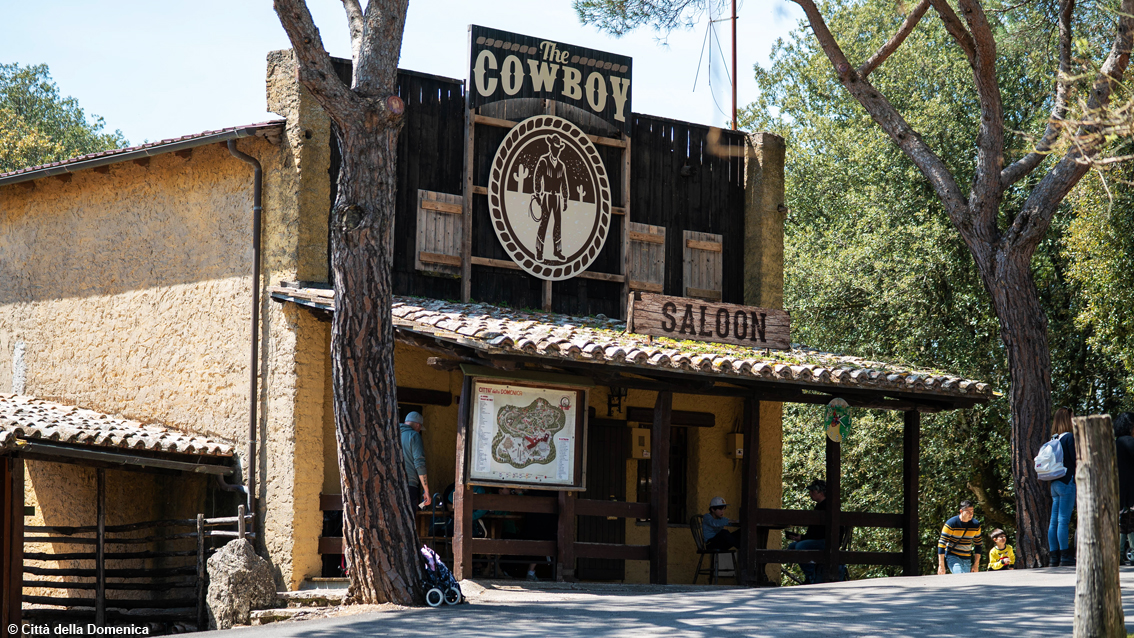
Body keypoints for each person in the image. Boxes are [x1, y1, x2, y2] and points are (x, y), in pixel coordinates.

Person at [785, 480, 832, 583]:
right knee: (792, 547)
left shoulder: (828, 506)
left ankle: (812, 577)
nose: (810, 493)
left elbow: (821, 533)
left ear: (821, 492)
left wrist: (803, 538)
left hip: (826, 541)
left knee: (800, 546)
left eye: (813, 491)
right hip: (818, 539)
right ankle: (809, 575)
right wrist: (802, 537)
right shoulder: (819, 506)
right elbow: (815, 531)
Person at [1047, 407, 1076, 567]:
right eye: (1072, 416)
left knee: (1054, 521)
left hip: (1054, 482)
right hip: (1067, 481)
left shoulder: (1055, 438)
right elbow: (1075, 459)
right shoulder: (1069, 437)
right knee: (1063, 520)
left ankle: (1054, 556)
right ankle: (1065, 555)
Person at [532, 135, 568, 262]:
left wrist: (565, 199)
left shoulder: (561, 165)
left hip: (557, 197)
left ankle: (557, 251)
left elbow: (564, 183)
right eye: (554, 148)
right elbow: (537, 177)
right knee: (544, 222)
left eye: (558, 149)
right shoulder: (544, 161)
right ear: (551, 147)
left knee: (557, 223)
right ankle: (539, 251)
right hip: (546, 195)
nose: (556, 151)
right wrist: (537, 193)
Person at [937, 500, 982, 574]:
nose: (971, 514)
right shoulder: (951, 524)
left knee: (965, 581)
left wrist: (976, 564)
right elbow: (942, 544)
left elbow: (978, 544)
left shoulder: (976, 525)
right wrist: (941, 565)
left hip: (967, 558)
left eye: (972, 511)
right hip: (953, 556)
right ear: (961, 511)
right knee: (959, 575)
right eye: (968, 512)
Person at [399, 411, 431, 510]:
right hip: (409, 485)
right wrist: (426, 491)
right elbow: (420, 464)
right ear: (417, 425)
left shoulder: (392, 434)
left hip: (391, 484)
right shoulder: (414, 436)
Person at [1114, 412, 1134, 564]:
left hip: (1120, 487)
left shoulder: (1116, 442)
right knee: (1131, 521)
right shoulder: (1128, 441)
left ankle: (1119, 555)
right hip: (1130, 487)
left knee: (1124, 522)